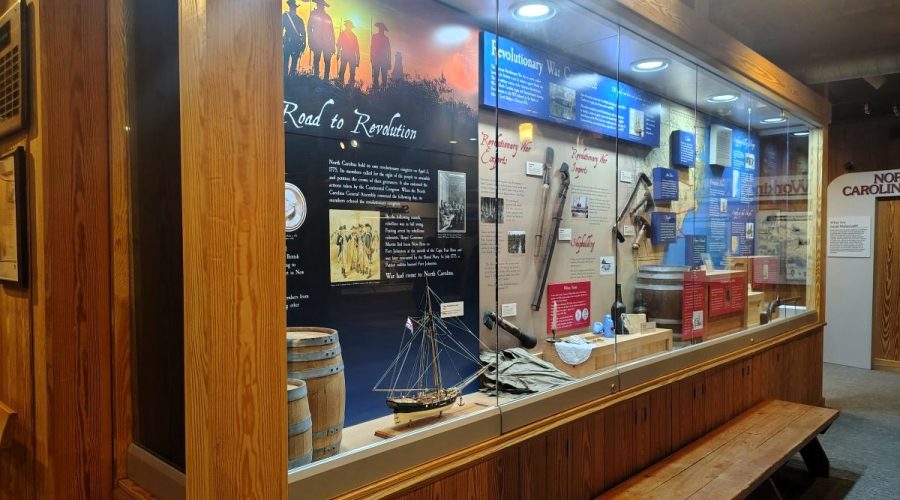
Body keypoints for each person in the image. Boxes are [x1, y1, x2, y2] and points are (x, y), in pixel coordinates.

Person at [307, 0, 335, 80]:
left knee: (325, 61)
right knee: (318, 60)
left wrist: (332, 45)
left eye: (320, 5)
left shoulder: (326, 16)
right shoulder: (315, 15)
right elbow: (309, 28)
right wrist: (310, 40)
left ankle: (324, 78)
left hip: (325, 43)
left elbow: (331, 32)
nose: (319, 6)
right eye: (319, 4)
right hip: (318, 42)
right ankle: (317, 77)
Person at [282, 0, 306, 76]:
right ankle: (289, 77)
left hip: (289, 42)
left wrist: (304, 43)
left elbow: (303, 33)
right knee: (290, 61)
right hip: (294, 42)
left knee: (287, 60)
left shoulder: (285, 17)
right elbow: (303, 33)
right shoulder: (299, 19)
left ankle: (287, 77)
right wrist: (304, 44)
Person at [336, 20, 360, 86]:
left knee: (346, 70)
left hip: (346, 54)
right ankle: (348, 84)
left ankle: (342, 83)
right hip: (350, 55)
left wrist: (338, 54)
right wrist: (358, 60)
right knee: (348, 70)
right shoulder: (353, 36)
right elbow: (357, 49)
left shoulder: (343, 34)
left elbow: (339, 45)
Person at [371, 22, 391, 88]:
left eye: (381, 28)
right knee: (376, 76)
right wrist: (371, 58)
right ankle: (376, 89)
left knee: (383, 77)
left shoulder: (385, 39)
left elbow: (389, 51)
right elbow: (372, 48)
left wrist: (389, 62)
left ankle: (382, 89)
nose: (380, 30)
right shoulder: (375, 37)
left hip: (383, 59)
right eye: (380, 28)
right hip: (378, 59)